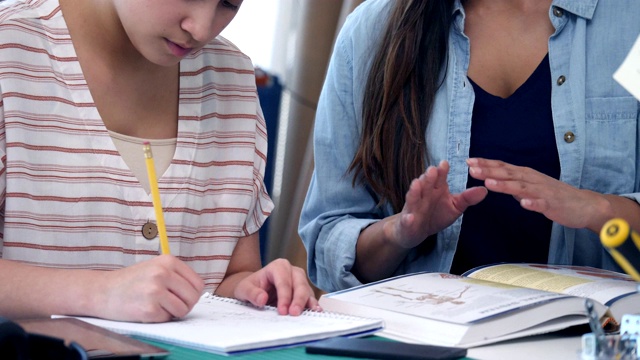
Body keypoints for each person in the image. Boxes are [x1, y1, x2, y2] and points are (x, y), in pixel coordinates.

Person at [0, 0, 318, 322]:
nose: (202, 29)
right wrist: (97, 293)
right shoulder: (9, 53)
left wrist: (253, 289)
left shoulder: (231, 78)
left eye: (229, 4)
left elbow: (230, 276)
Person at [299, 0, 640, 292]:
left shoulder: (631, 23)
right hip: (421, 338)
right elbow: (327, 239)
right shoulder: (370, 31)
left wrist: (599, 208)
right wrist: (399, 232)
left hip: (592, 340)